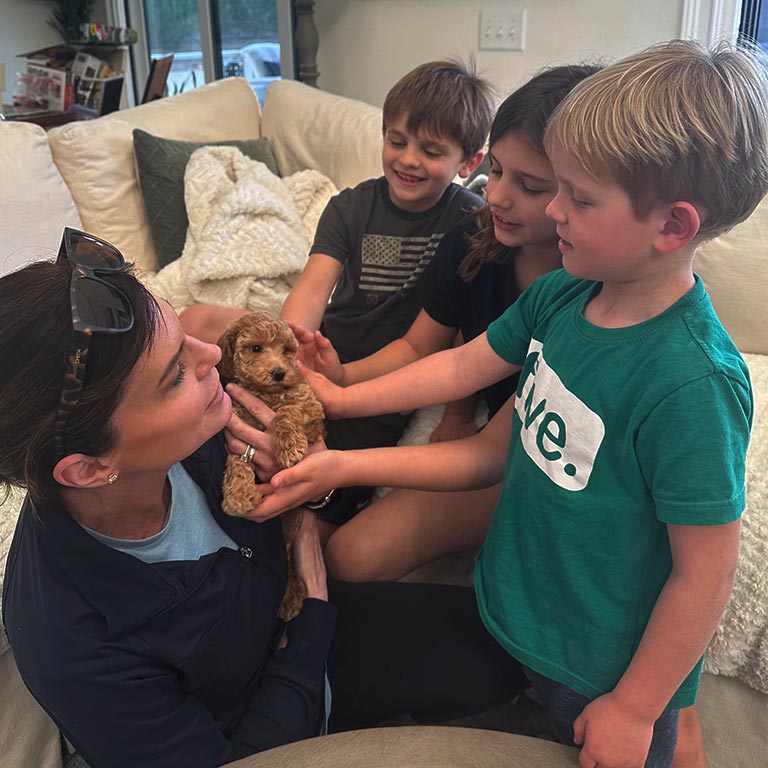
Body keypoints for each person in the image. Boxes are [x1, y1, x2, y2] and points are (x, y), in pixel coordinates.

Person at [253, 40, 768, 768]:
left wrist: (638, 707)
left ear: (673, 227)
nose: (551, 208)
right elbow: (467, 378)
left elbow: (704, 572)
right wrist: (340, 405)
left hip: (601, 672)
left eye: (577, 197)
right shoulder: (566, 294)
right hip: (510, 613)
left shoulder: (691, 385)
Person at [0, 229, 532, 768]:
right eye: (176, 373)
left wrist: (313, 493)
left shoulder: (211, 417)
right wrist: (309, 626)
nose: (212, 354)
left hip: (301, 618)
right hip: (272, 700)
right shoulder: (76, 641)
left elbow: (306, 489)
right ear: (90, 468)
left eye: (184, 338)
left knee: (507, 654)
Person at [282, 64, 599, 583]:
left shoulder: (589, 291)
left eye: (531, 186)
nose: (495, 196)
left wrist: (348, 448)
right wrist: (339, 384)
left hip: (527, 453)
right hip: (487, 434)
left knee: (352, 556)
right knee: (343, 552)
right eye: (495, 172)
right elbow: (435, 352)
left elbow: (496, 447)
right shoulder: (473, 239)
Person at [181, 58, 494, 533]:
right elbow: (311, 291)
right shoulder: (349, 207)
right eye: (397, 141)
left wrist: (455, 413)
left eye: (431, 151)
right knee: (195, 318)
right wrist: (293, 349)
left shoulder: (471, 223)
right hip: (325, 349)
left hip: (384, 384)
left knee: (313, 514)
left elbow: (466, 338)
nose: (408, 159)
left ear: (469, 162)